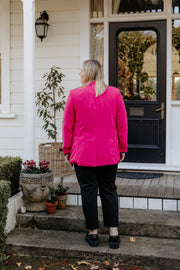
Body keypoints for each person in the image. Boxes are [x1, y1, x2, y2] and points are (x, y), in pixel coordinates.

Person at [63, 60, 128, 249]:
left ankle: (93, 234)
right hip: (109, 152)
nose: (79, 73)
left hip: (83, 154)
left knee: (88, 192)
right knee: (109, 190)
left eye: (81, 70)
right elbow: (122, 124)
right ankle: (113, 234)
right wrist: (122, 148)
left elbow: (68, 126)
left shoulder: (75, 95)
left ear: (88, 73)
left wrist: (67, 149)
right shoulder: (114, 93)